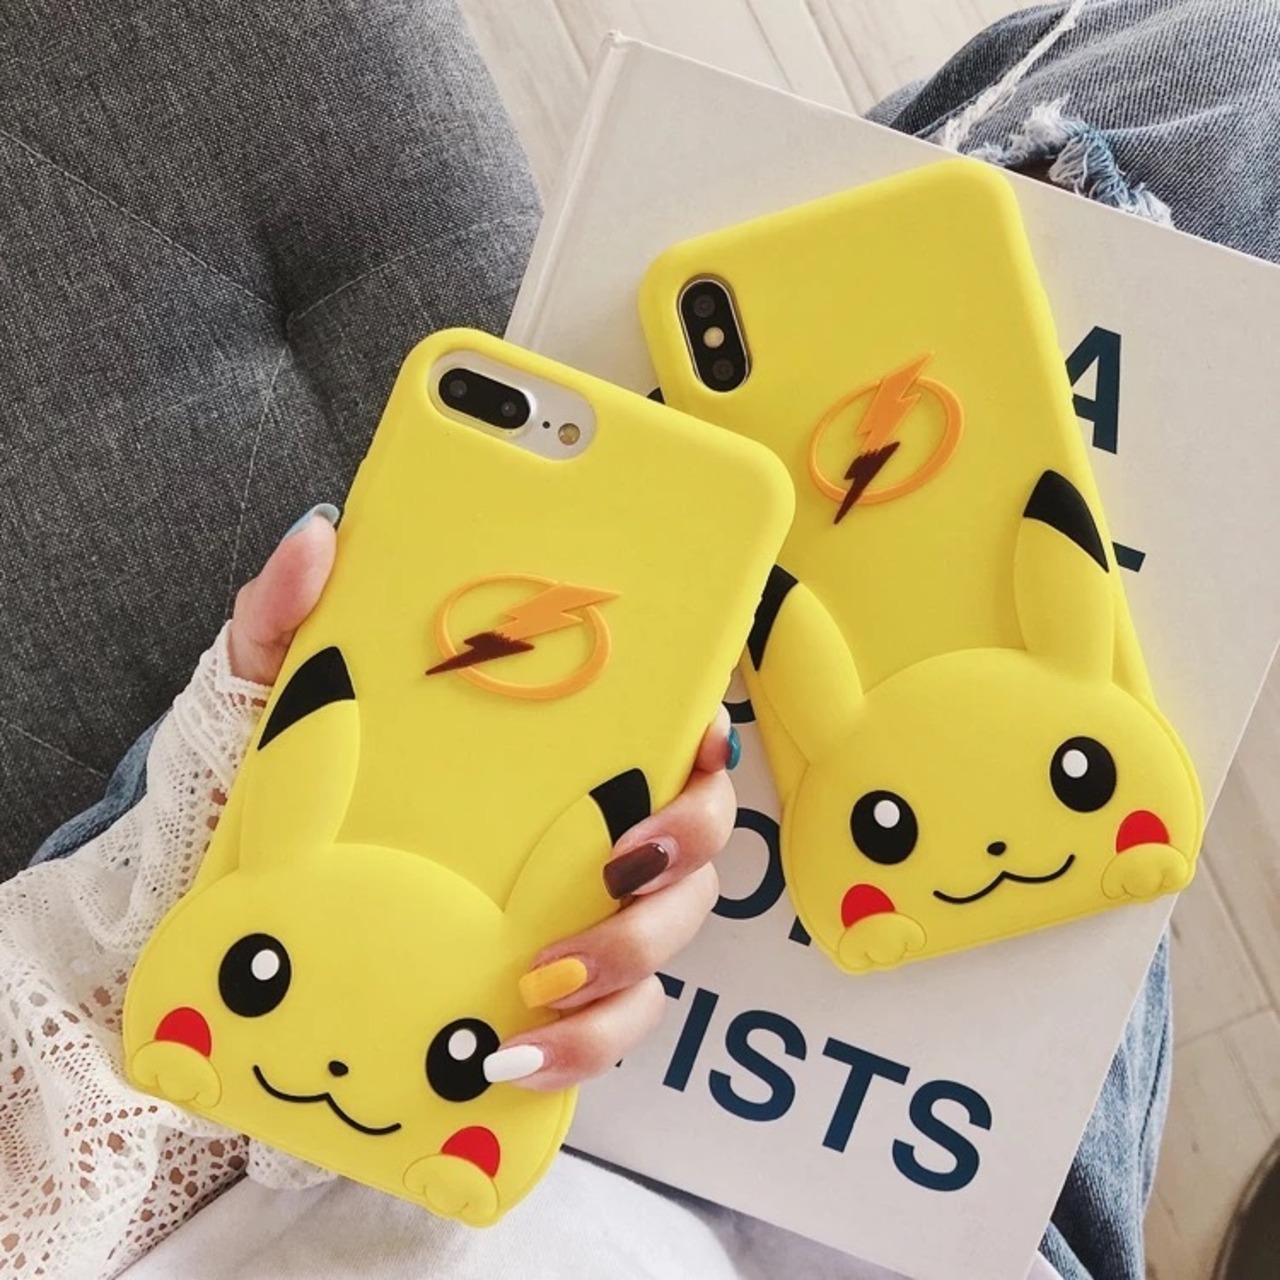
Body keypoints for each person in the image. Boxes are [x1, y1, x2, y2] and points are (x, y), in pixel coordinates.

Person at [4, 0, 1276, 1276]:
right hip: (935, 1218)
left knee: (1143, 111)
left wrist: (210, 799)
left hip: (346, 1099)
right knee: (1219, 78)